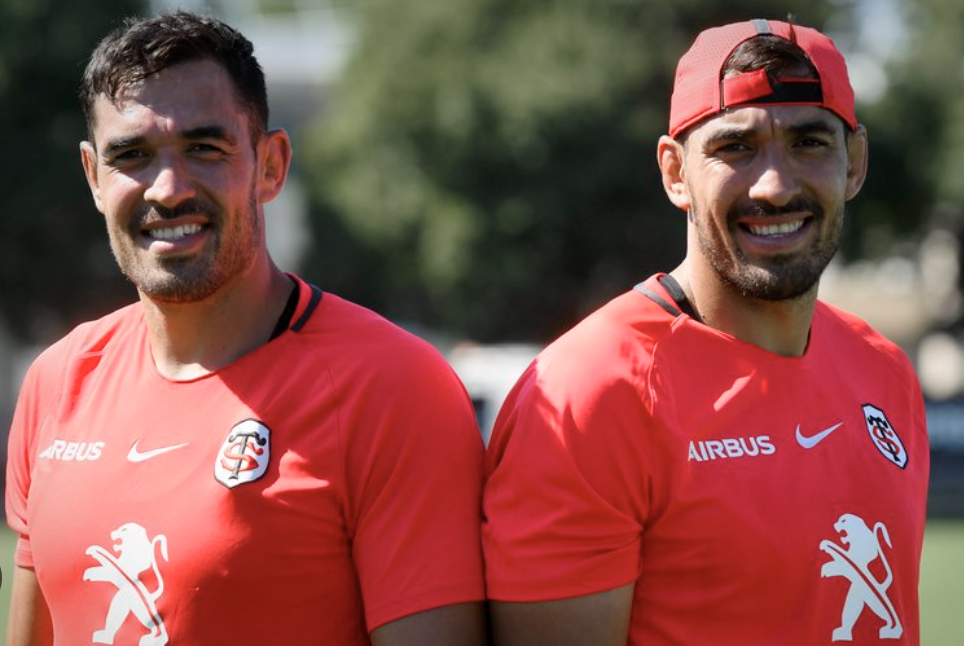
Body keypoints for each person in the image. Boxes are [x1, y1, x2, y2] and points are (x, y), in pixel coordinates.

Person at [5, 11, 486, 646]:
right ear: (94, 177)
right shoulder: (58, 381)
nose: (169, 190)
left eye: (205, 149)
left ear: (270, 165)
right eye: (132, 156)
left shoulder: (393, 388)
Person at [482, 18, 929, 645]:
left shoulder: (885, 369)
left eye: (809, 143)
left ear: (854, 164)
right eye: (735, 148)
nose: (774, 185)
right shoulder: (590, 394)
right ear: (675, 173)